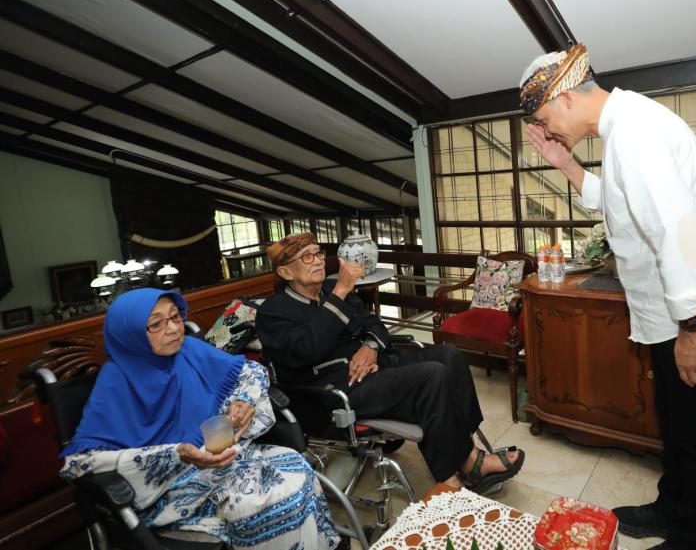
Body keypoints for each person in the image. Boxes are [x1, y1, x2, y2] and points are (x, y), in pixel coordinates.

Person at [519, 45, 696, 550]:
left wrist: (693, 329)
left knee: (694, 430)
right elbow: (620, 202)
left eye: (545, 119)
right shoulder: (624, 129)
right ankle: (673, 506)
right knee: (675, 420)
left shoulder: (637, 133)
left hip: (692, 315)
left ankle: (693, 535)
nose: (549, 130)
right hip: (673, 314)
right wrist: (564, 163)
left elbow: (677, 232)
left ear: (563, 97)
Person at [60, 288, 342, 549]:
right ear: (130, 333)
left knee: (297, 465)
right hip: (168, 487)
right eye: (156, 324)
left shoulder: (187, 351)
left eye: (174, 317)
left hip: (223, 458)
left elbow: (250, 372)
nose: (172, 328)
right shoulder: (116, 381)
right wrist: (178, 454)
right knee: (262, 500)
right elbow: (83, 463)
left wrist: (244, 400)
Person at [255, 232, 525, 494]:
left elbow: (374, 324)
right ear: (285, 273)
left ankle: (467, 451)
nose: (316, 261)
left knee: (449, 355)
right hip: (334, 391)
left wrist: (369, 347)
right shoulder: (274, 312)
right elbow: (305, 350)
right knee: (431, 376)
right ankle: (454, 473)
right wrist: (338, 295)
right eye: (306, 257)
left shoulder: (329, 291)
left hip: (373, 367)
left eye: (318, 253)